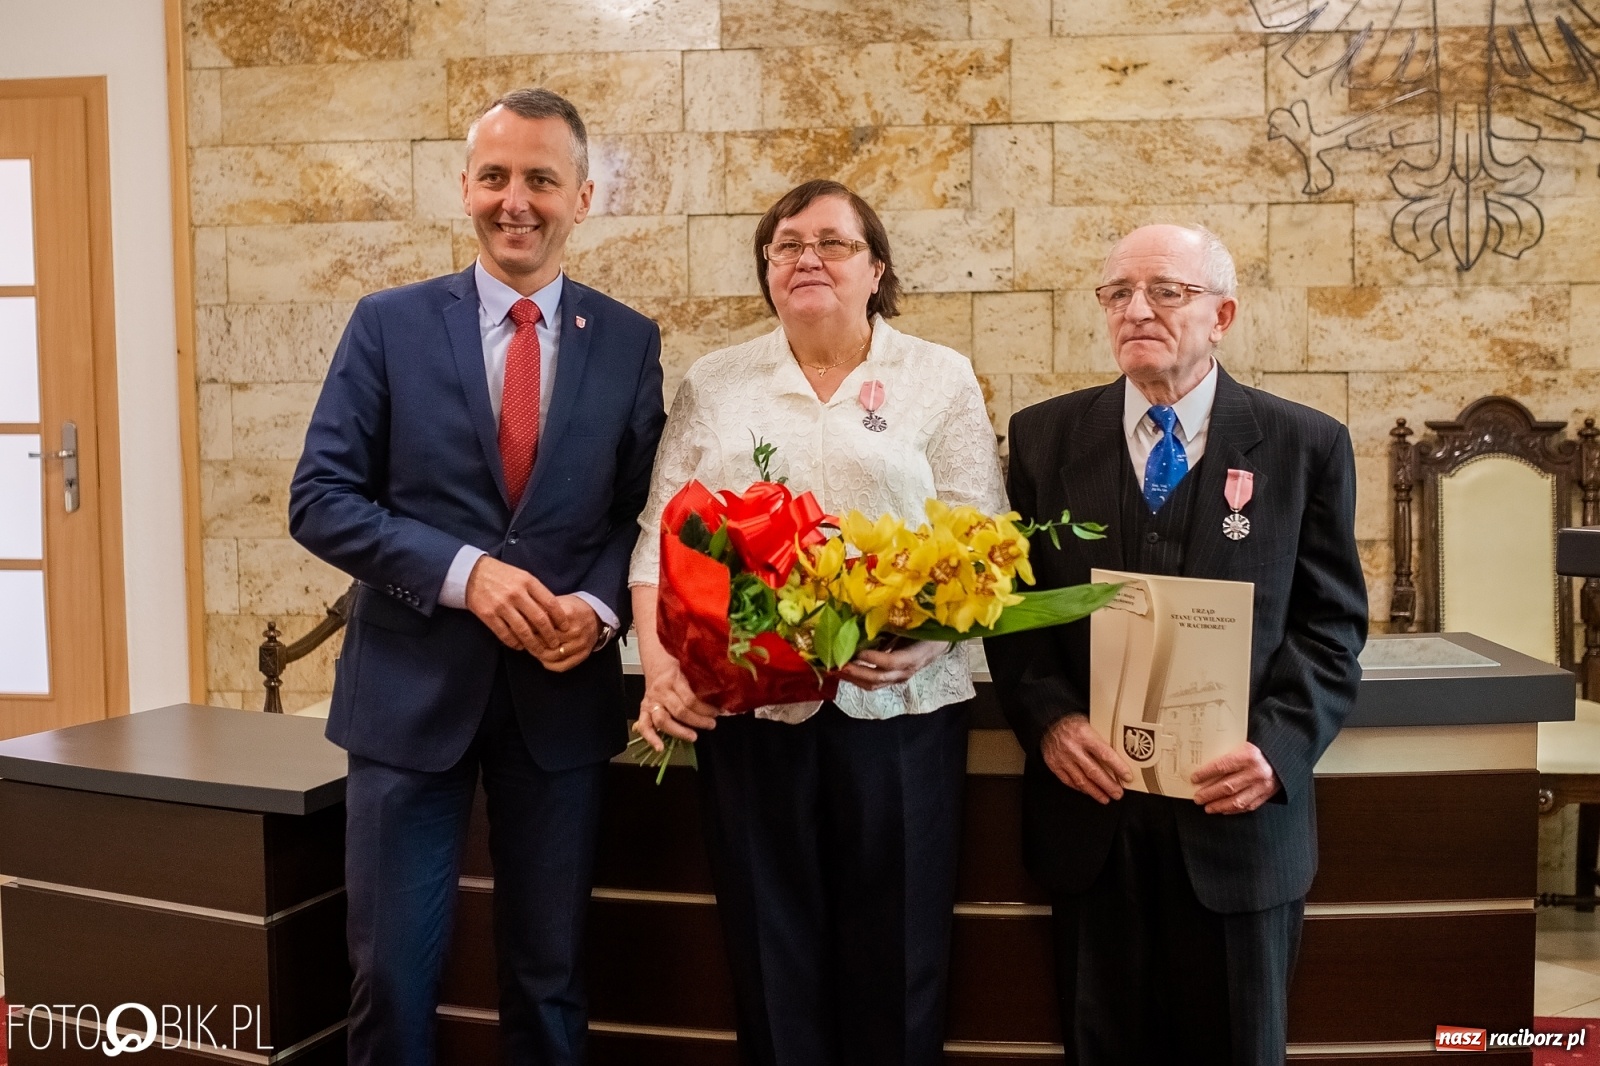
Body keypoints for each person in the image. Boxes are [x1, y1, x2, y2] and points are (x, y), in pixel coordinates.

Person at [288, 87, 665, 1066]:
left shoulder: (628, 343)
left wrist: (593, 606)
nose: (516, 201)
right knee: (392, 980)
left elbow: (639, 510)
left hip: (559, 703)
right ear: (464, 186)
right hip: (407, 700)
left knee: (549, 983)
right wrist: (465, 574)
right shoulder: (387, 325)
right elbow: (321, 497)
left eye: (541, 179)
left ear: (583, 196)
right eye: (495, 176)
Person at [628, 179, 1005, 1066]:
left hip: (903, 715)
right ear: (767, 270)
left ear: (876, 269)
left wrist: (927, 639)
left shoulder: (939, 378)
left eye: (833, 243)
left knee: (901, 958)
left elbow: (983, 537)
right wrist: (659, 670)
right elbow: (658, 543)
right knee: (770, 955)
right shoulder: (716, 383)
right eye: (787, 243)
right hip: (752, 711)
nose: (808, 258)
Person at [984, 224, 1367, 1066]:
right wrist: (1049, 720)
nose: (1136, 310)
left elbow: (1333, 630)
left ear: (1221, 313)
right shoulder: (1044, 440)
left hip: (1236, 828)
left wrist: (1277, 750)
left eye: (1166, 291)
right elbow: (1013, 610)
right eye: (1118, 293)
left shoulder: (1305, 445)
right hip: (1094, 819)